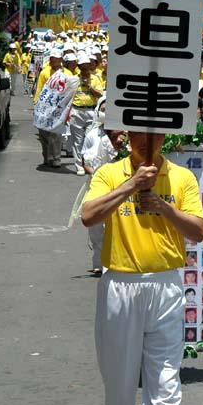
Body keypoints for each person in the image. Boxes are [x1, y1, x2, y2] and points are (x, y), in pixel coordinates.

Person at [81, 131, 203, 405]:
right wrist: (131, 185)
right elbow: (88, 216)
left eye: (155, 133)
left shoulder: (182, 177)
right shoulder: (109, 173)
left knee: (166, 379)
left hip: (166, 286)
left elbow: (198, 231)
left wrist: (163, 207)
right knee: (119, 380)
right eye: (138, 132)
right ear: (127, 134)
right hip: (120, 285)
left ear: (165, 136)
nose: (146, 140)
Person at [80, 96, 126, 275]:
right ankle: (99, 263)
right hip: (100, 188)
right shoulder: (95, 138)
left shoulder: (129, 140)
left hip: (123, 191)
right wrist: (97, 175)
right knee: (98, 229)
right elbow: (86, 161)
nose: (118, 140)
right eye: (104, 110)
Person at [34, 48, 73, 168]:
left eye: (55, 58)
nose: (52, 60)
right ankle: (47, 157)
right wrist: (36, 104)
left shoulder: (68, 74)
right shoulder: (44, 72)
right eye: (51, 58)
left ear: (60, 60)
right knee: (43, 133)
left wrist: (69, 109)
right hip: (45, 107)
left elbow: (71, 92)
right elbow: (39, 89)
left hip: (60, 108)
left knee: (56, 133)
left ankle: (56, 158)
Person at [70, 54, 104, 175]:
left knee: (90, 138)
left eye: (87, 67)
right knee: (77, 140)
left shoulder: (95, 79)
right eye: (82, 68)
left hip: (91, 111)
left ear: (90, 67)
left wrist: (89, 87)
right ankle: (79, 166)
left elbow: (100, 94)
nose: (85, 70)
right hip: (76, 111)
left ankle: (88, 163)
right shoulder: (74, 79)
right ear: (79, 67)